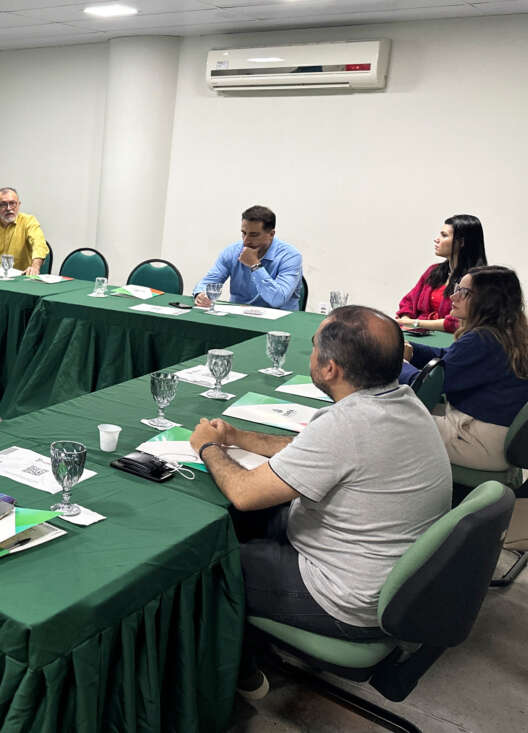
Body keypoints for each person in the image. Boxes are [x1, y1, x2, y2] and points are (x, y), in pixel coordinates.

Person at [189, 305, 451, 696]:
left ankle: (235, 675)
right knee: (254, 524)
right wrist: (238, 437)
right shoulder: (403, 400)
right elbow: (309, 449)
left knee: (203, 566)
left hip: (345, 601)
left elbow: (244, 495)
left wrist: (208, 447)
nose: (310, 353)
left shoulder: (347, 425)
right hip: (391, 582)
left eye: (314, 347)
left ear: (331, 369)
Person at [400, 265, 528, 471]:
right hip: (492, 434)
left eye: (464, 292)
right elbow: (446, 359)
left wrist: (399, 363)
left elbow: (427, 386)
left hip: (478, 442)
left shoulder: (483, 340)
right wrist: (403, 346)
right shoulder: (503, 333)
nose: (453, 296)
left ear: (488, 301)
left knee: (387, 420)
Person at [193, 205, 303, 311]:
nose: (246, 241)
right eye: (244, 233)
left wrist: (255, 265)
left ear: (271, 234)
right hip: (238, 319)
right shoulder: (232, 251)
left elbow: (277, 299)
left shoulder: (291, 256)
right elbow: (208, 282)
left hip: (280, 323)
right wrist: (201, 294)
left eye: (254, 235)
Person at [395, 214, 487, 333]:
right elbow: (408, 303)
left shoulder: (477, 280)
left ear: (461, 242)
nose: (436, 239)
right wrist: (405, 320)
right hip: (419, 333)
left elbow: (457, 322)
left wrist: (413, 323)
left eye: (444, 235)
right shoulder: (433, 271)